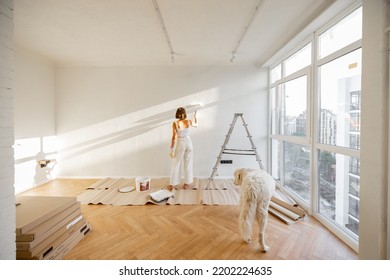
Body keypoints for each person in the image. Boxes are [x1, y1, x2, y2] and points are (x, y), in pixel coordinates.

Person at [167, 107, 198, 190]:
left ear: (177, 114)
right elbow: (196, 124)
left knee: (176, 163)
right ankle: (186, 184)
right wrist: (195, 116)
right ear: (185, 113)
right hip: (189, 142)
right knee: (188, 163)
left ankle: (172, 184)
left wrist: (171, 148)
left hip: (181, 142)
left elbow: (174, 137)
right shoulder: (189, 121)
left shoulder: (175, 123)